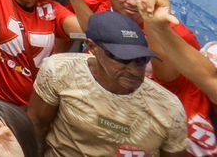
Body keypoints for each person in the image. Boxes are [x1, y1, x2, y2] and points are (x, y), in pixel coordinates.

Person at [30, 11, 189, 156]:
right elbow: (37, 125)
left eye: (141, 59)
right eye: (122, 58)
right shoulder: (60, 71)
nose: (134, 70)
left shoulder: (169, 108)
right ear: (93, 47)